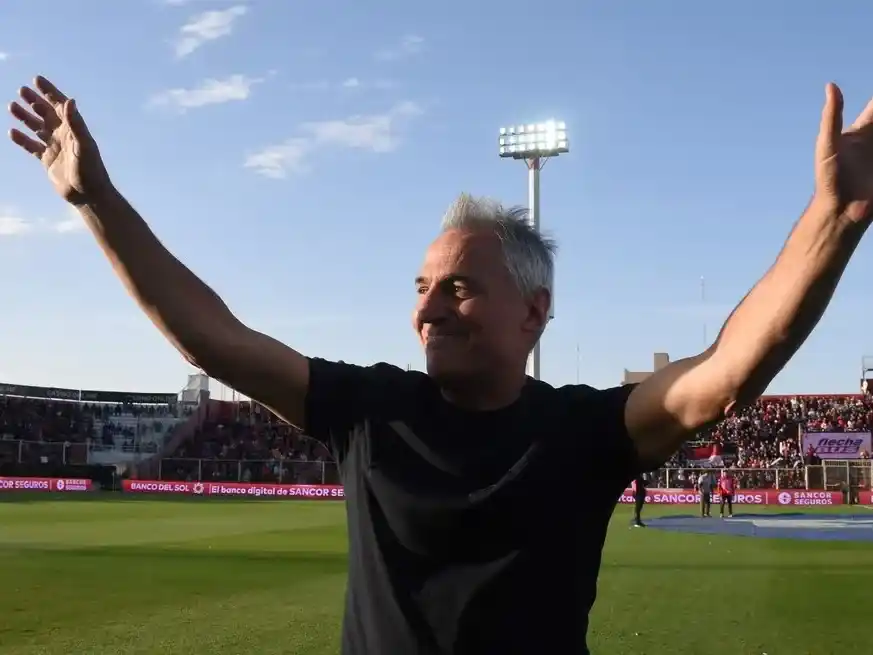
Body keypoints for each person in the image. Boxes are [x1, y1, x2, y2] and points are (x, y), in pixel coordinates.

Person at [8, 76, 873, 655]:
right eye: (421, 287)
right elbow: (213, 338)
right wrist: (97, 200)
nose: (427, 308)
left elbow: (726, 373)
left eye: (457, 288)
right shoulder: (368, 408)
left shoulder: (584, 430)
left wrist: (833, 220)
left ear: (534, 309)